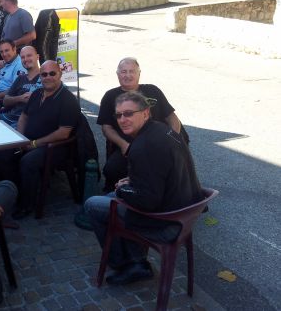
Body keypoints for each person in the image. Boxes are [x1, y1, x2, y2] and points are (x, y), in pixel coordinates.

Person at [85, 91, 203, 285]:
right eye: (119, 115)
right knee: (111, 197)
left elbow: (147, 201)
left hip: (166, 221)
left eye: (129, 113)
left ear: (146, 113)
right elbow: (160, 172)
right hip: (183, 209)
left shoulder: (143, 146)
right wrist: (132, 180)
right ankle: (135, 257)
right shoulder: (162, 130)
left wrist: (122, 190)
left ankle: (127, 264)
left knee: (93, 205)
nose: (123, 120)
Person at [0, 60, 80, 219]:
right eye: (44, 74)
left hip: (55, 147)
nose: (48, 77)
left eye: (52, 73)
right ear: (40, 76)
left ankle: (27, 204)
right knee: (1, 154)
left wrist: (34, 144)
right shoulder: (37, 93)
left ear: (60, 74)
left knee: (28, 161)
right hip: (29, 140)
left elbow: (63, 133)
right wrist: (20, 139)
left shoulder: (67, 99)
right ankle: (16, 191)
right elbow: (23, 117)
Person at [97, 57, 184, 192]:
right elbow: (106, 128)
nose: (128, 75)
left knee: (167, 171)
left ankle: (162, 192)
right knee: (111, 170)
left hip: (159, 142)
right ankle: (121, 193)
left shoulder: (153, 90)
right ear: (117, 74)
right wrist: (123, 145)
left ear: (139, 73)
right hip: (130, 145)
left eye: (132, 71)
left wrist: (171, 139)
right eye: (123, 71)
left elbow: (172, 117)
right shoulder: (110, 96)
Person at [0, 45, 42, 127]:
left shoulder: (46, 77)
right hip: (9, 117)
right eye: (22, 57)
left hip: (28, 123)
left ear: (37, 57)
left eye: (29, 55)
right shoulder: (20, 78)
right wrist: (20, 98)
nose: (25, 59)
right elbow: (5, 101)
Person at [0, 39, 26, 111]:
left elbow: (15, 90)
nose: (4, 54)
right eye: (1, 52)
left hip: (4, 100)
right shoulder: (3, 63)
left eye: (7, 50)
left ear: (14, 49)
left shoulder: (19, 65)